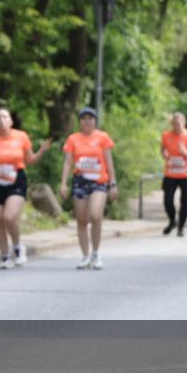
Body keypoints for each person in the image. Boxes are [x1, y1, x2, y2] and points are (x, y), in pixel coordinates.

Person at [0, 106, 51, 268]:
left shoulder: (21, 137)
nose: (2, 120)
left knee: (9, 217)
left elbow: (30, 160)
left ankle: (18, 247)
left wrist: (41, 152)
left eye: (5, 117)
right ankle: (5, 256)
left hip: (16, 179)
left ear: (11, 121)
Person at [59, 107, 118, 270]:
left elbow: (109, 162)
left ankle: (96, 253)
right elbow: (68, 162)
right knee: (81, 219)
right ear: (79, 122)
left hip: (99, 181)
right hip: (80, 181)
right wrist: (63, 183)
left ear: (95, 121)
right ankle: (85, 255)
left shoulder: (103, 137)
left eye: (90, 118)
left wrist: (113, 183)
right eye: (84, 118)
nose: (87, 121)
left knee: (95, 214)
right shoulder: (73, 139)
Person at [160, 112, 187, 236]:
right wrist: (164, 153)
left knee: (184, 202)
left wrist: (184, 151)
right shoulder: (166, 135)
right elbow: (163, 149)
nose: (177, 127)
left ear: (184, 123)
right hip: (170, 173)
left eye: (179, 124)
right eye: (174, 124)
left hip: (185, 174)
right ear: (172, 124)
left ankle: (181, 227)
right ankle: (172, 221)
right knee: (167, 200)